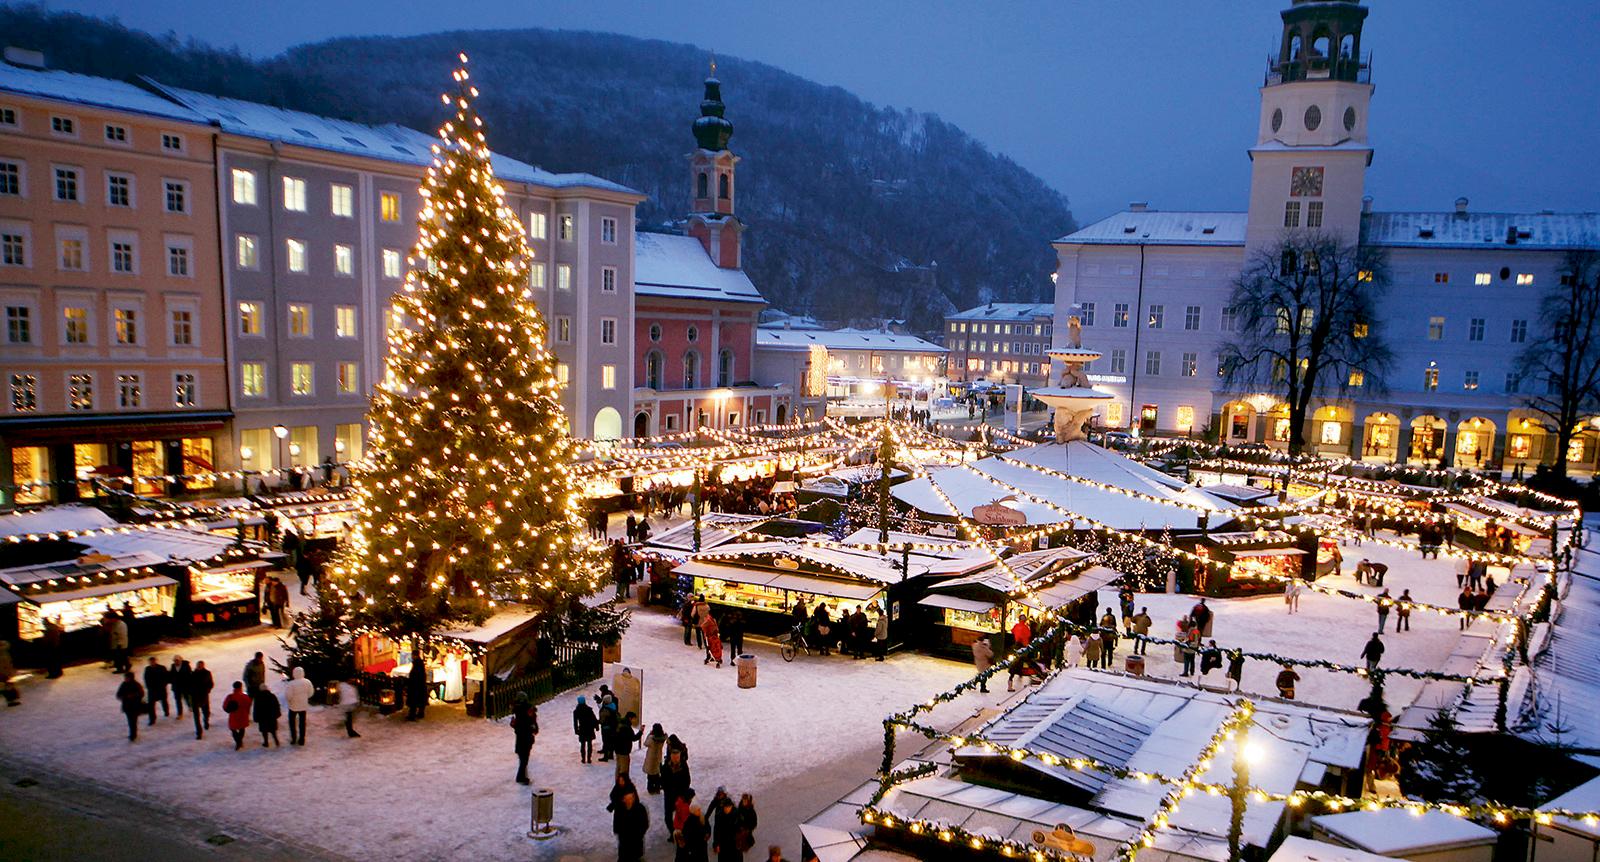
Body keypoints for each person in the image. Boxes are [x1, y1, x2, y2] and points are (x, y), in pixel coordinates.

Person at [613, 786, 650, 862]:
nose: (630, 800)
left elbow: (644, 824)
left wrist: (638, 835)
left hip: (636, 843)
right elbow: (616, 825)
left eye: (631, 798)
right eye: (627, 798)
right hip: (624, 844)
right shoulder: (619, 810)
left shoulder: (640, 809)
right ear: (623, 799)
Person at [660, 748, 692, 833]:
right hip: (669, 795)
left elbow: (687, 780)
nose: (675, 759)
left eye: (677, 757)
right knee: (668, 817)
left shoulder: (683, 766)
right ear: (671, 756)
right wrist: (667, 789)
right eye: (674, 757)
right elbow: (662, 781)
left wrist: (682, 792)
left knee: (682, 815)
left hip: (680, 795)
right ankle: (672, 832)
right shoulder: (666, 767)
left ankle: (681, 833)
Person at [511, 692, 538, 784]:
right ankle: (521, 777)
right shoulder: (528, 711)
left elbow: (513, 724)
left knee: (523, 758)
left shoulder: (516, 711)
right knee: (524, 759)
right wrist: (534, 728)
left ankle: (522, 776)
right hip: (526, 737)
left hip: (520, 738)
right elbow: (532, 722)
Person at [284, 666, 314, 745]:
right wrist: (305, 697)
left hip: (293, 706)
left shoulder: (291, 684)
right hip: (303, 706)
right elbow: (311, 693)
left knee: (292, 723)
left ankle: (293, 738)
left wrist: (289, 701)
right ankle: (302, 739)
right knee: (302, 723)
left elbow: (288, 695)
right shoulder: (307, 682)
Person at [712, 792, 742, 862]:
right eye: (725, 807)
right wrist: (716, 844)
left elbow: (741, 829)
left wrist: (741, 842)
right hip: (723, 843)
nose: (726, 809)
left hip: (734, 843)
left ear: (731, 806)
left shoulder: (737, 814)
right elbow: (716, 830)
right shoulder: (719, 815)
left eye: (728, 807)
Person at [116, 671, 145, 741]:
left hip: (135, 706)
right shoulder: (123, 684)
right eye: (125, 677)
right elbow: (118, 694)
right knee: (130, 721)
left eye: (126, 677)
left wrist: (134, 696)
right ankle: (133, 734)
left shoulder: (136, 685)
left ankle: (133, 735)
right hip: (127, 706)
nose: (125, 679)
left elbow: (141, 694)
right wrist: (124, 697)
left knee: (133, 721)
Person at [222, 681, 252, 750]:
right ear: (241, 687)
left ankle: (238, 742)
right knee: (242, 728)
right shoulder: (245, 696)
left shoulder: (230, 697)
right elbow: (249, 704)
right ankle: (240, 741)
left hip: (233, 716)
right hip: (243, 715)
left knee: (233, 730)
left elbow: (225, 706)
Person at [189, 660, 214, 739]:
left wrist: (207, 690)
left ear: (203, 666)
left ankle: (206, 721)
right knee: (196, 716)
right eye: (198, 665)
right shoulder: (192, 674)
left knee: (206, 712)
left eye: (200, 665)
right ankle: (199, 732)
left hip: (203, 696)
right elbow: (189, 684)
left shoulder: (207, 673)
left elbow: (211, 683)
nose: (199, 667)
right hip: (195, 697)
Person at [143, 656, 170, 725]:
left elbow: (166, 677)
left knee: (164, 701)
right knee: (151, 705)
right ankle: (152, 719)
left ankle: (166, 711)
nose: (152, 663)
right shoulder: (147, 669)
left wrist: (164, 684)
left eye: (153, 661)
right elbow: (146, 679)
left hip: (161, 688)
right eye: (150, 662)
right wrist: (149, 687)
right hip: (152, 690)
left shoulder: (162, 668)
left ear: (155, 661)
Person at [573, 694, 599, 764]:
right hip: (589, 728)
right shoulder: (589, 709)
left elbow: (575, 722)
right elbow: (594, 719)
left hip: (582, 729)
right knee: (589, 744)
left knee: (582, 744)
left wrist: (576, 730)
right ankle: (589, 759)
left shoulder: (576, 711)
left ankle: (583, 758)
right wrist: (596, 726)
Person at [643, 723, 668, 793]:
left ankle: (651, 789)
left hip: (651, 757)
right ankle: (657, 788)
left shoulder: (651, 738)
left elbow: (645, 743)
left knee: (650, 776)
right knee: (657, 774)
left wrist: (649, 734)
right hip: (658, 757)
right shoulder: (662, 738)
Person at [615, 711, 642, 775]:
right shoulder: (627, 728)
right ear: (630, 718)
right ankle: (622, 783)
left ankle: (618, 782)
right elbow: (634, 738)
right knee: (624, 770)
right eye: (633, 719)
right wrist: (640, 732)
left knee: (618, 768)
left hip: (617, 750)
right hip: (624, 751)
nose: (633, 721)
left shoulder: (620, 723)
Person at [736, 794, 759, 858]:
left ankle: (749, 844)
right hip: (741, 825)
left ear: (748, 801)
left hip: (749, 826)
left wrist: (749, 828)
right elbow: (738, 816)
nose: (744, 802)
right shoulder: (740, 807)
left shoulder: (751, 811)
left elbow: (754, 821)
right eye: (743, 800)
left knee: (746, 836)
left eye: (745, 801)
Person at [406, 656, 427, 720]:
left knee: (413, 702)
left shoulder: (415, 670)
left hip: (415, 688)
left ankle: (412, 715)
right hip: (421, 687)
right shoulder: (422, 669)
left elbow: (412, 678)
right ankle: (421, 713)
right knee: (421, 701)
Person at [0, 641, 18, 707]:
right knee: (9, 685)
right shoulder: (3, 653)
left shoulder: (4, 653)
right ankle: (11, 701)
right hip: (5, 672)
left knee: (8, 685)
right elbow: (6, 664)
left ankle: (11, 700)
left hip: (4, 671)